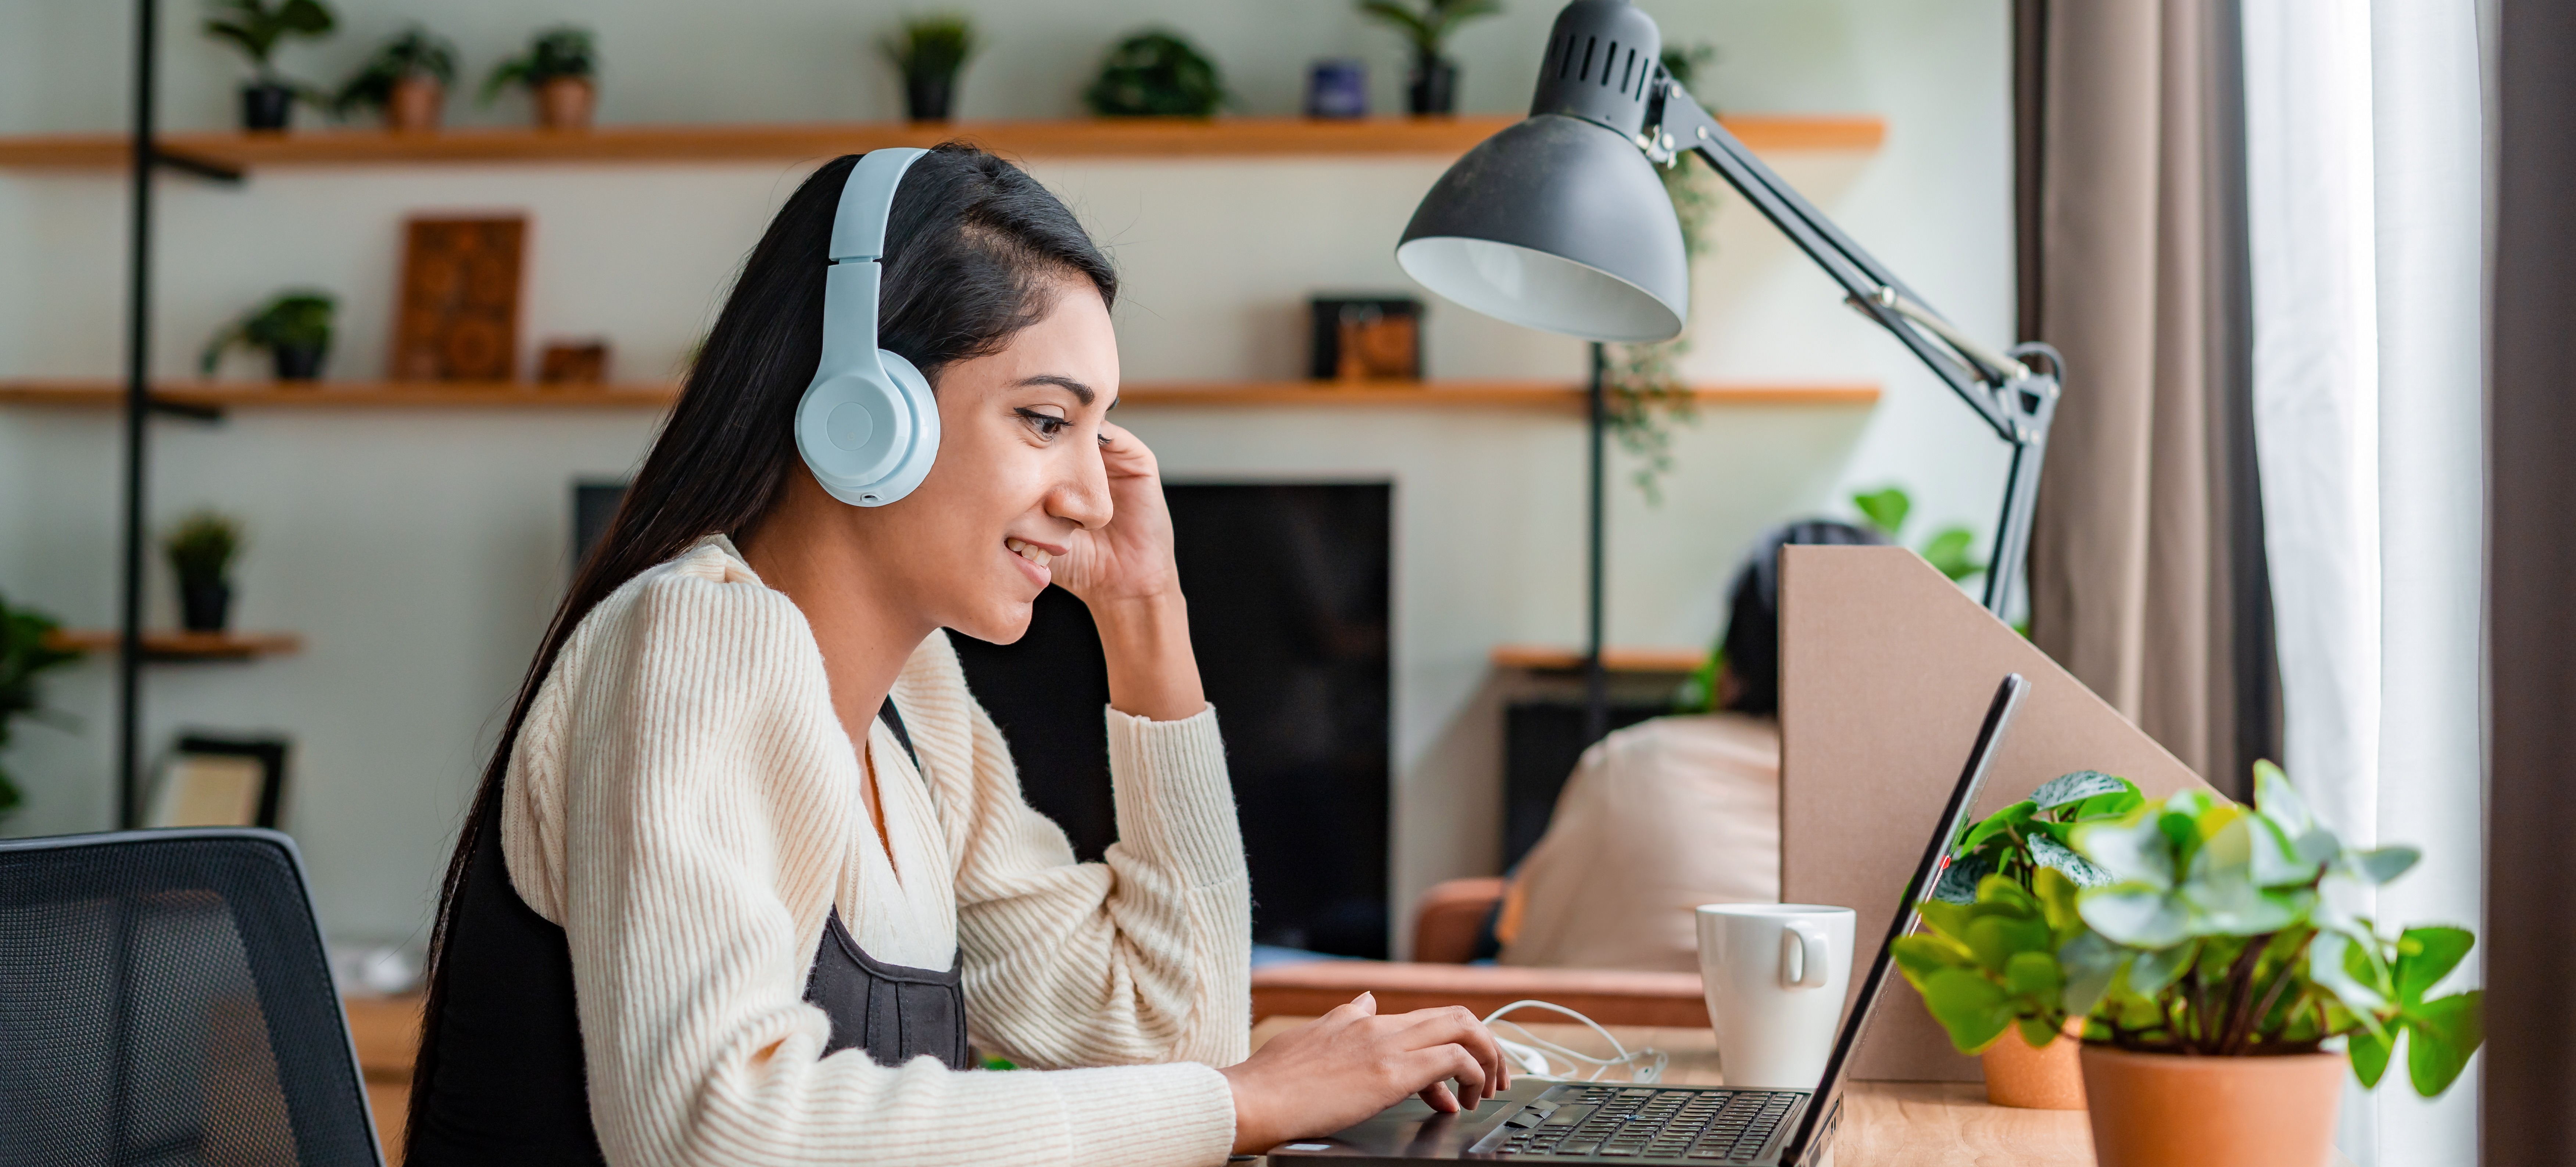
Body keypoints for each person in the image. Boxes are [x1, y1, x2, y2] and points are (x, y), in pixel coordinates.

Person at [403, 144, 1505, 1167]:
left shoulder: (916, 707)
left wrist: (1146, 613)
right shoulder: (692, 639)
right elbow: (719, 1123)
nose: (1088, 495)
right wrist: (1245, 1102)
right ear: (865, 414)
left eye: (1095, 429)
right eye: (1042, 420)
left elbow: (1166, 1032)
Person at [1495, 520, 1883, 972]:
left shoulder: (1633, 760)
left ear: (1731, 664)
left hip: (1606, 1031)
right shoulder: (1912, 797)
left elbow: (1527, 958)